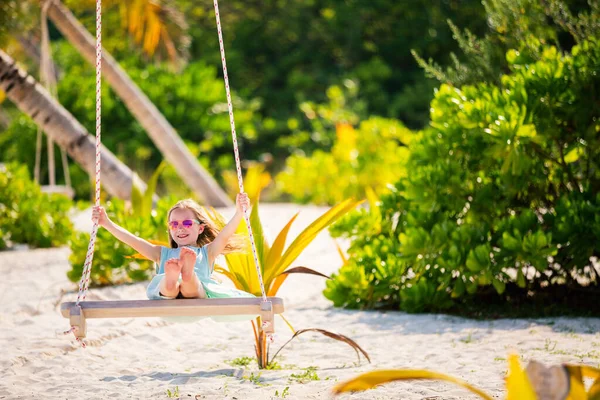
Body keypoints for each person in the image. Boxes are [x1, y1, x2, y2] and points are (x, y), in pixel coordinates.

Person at [92, 193, 253, 300]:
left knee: (192, 285)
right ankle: (173, 278)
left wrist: (239, 212)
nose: (180, 228)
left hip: (197, 293)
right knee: (168, 286)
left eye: (187, 223)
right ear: (169, 228)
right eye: (174, 224)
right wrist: (106, 223)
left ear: (200, 228)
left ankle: (187, 275)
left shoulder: (208, 252)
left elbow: (224, 235)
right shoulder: (162, 254)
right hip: (168, 297)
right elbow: (133, 240)